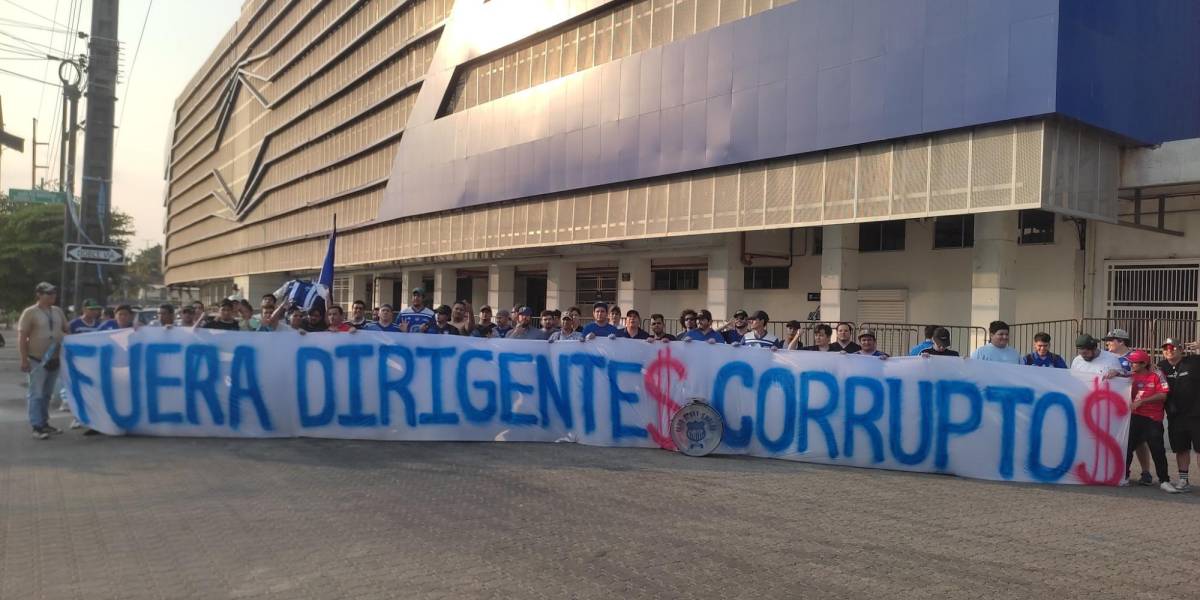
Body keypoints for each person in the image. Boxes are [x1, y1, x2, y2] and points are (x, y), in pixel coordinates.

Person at [1123, 349, 1181, 493]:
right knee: (1127, 448)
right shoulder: (1130, 375)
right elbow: (1116, 379)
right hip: (1134, 417)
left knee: (1158, 450)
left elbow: (1163, 395)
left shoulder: (1157, 374)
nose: (1131, 365)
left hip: (1153, 419)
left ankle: (1164, 480)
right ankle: (1123, 476)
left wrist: (1142, 401)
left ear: (1143, 364)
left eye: (1134, 363)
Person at [19, 282, 68, 439]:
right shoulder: (30, 312)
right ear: (39, 294)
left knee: (47, 394)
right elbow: (22, 337)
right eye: (48, 294)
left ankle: (45, 423)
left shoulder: (57, 311)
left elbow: (66, 329)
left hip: (55, 358)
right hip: (37, 359)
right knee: (36, 394)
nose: (52, 296)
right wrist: (24, 360)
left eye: (54, 293)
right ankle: (37, 426)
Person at [1159, 338, 1200, 492]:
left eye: (1173, 347)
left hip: (1196, 415)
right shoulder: (1161, 366)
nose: (1169, 350)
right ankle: (1183, 480)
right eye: (1165, 348)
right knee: (1181, 449)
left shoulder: (1194, 362)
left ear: (1181, 349)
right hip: (1175, 416)